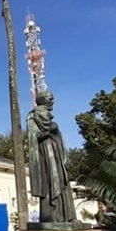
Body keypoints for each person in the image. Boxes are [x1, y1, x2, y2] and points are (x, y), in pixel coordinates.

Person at [27, 90, 77, 223]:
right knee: (50, 183)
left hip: (55, 153)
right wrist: (49, 132)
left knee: (62, 182)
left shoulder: (49, 118)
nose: (53, 101)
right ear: (43, 100)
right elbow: (33, 137)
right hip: (45, 154)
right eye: (50, 99)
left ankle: (66, 217)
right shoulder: (33, 116)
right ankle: (52, 216)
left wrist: (55, 131)